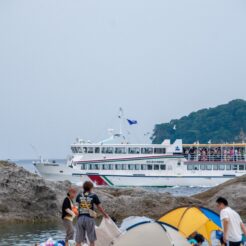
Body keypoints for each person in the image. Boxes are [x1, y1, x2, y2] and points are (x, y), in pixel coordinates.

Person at [76, 181, 109, 246]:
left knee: (78, 240)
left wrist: (78, 217)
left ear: (83, 187)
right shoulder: (94, 196)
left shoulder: (79, 195)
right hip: (89, 219)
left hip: (80, 219)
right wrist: (105, 215)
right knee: (91, 240)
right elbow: (99, 207)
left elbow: (77, 207)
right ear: (91, 188)